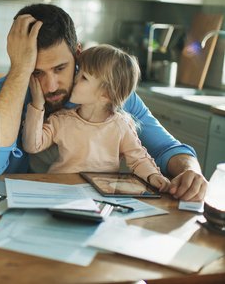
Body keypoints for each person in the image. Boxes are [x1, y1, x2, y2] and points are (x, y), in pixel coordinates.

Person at [0, 3, 207, 202]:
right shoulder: (0, 95)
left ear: (78, 54)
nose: (51, 86)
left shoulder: (106, 92)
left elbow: (167, 148)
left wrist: (190, 172)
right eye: (36, 72)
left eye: (60, 68)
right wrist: (19, 69)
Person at [22, 44, 170, 190]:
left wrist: (153, 176)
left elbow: (139, 160)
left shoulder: (121, 126)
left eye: (83, 77)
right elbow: (32, 146)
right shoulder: (61, 120)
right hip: (60, 190)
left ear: (106, 95)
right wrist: (37, 104)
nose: (74, 79)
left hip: (100, 196)